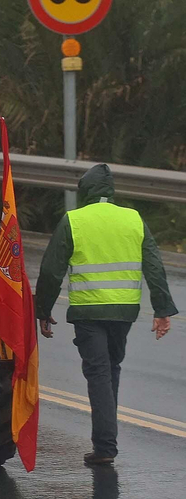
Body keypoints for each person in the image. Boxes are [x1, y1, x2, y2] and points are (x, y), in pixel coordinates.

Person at [35, 163, 176, 466]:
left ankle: (105, 447)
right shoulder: (133, 219)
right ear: (111, 192)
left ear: (85, 191)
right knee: (110, 369)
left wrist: (43, 310)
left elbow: (50, 270)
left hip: (88, 311)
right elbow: (154, 266)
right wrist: (162, 309)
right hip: (124, 312)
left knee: (99, 373)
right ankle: (105, 444)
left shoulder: (74, 220)